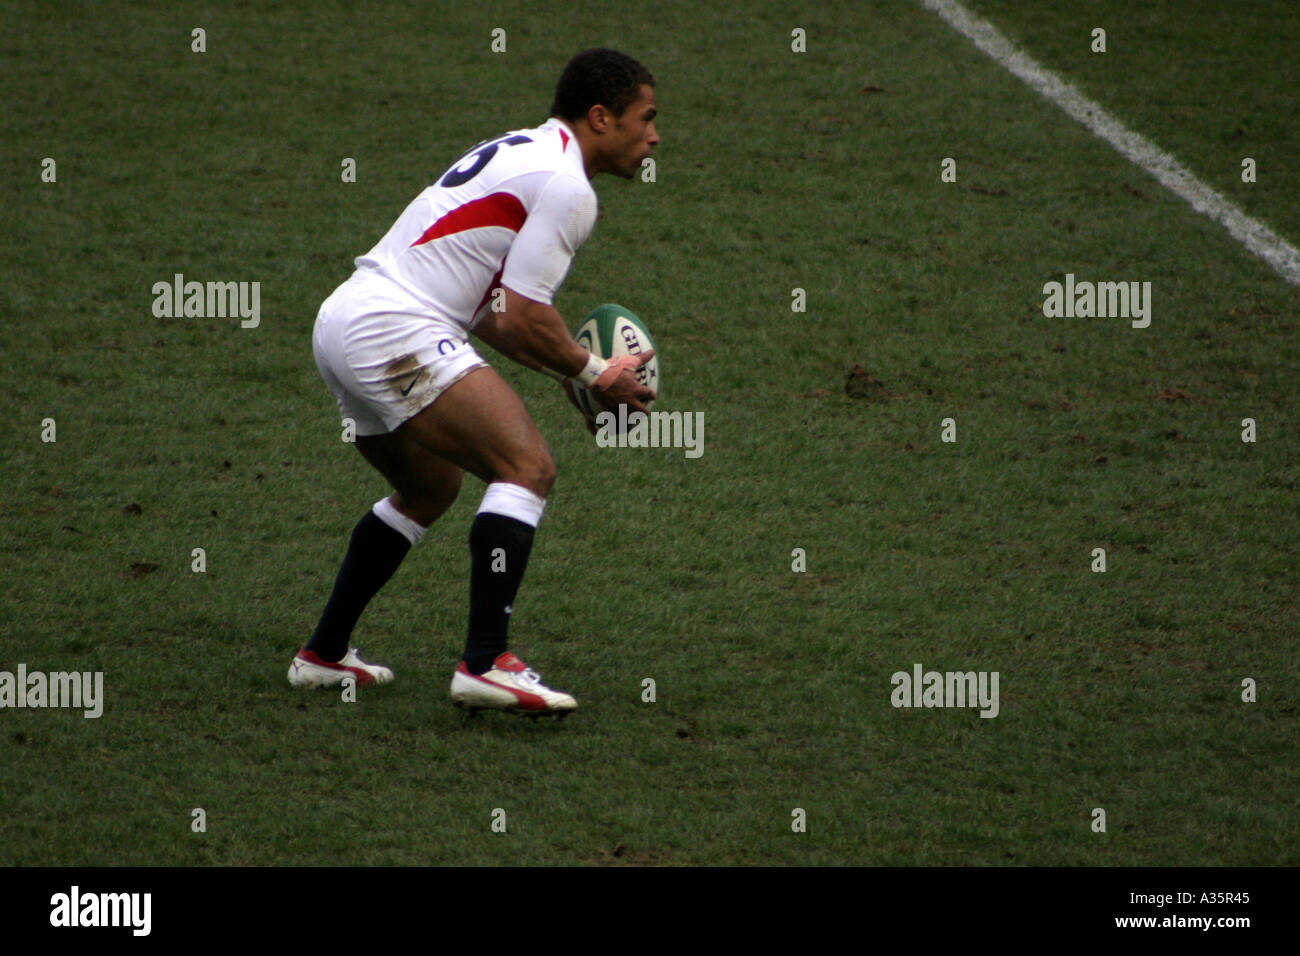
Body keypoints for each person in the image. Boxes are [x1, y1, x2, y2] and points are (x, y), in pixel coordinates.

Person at [287, 48, 660, 717]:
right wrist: (596, 372)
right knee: (527, 468)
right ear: (602, 117)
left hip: (343, 319)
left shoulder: (524, 150)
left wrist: (575, 375)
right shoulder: (571, 189)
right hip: (394, 328)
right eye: (646, 118)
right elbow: (520, 317)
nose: (656, 136)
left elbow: (494, 310)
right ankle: (487, 663)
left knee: (430, 486)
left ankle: (322, 654)